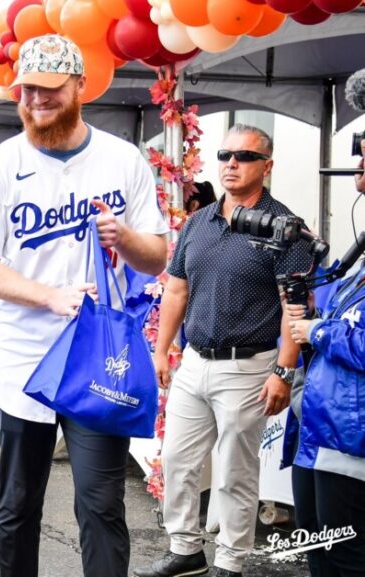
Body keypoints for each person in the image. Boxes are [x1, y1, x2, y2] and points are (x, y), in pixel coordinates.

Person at [0, 35, 169, 577]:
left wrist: (125, 239)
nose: (36, 100)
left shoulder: (122, 159)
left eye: (48, 90)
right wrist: (51, 295)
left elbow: (158, 256)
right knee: (18, 504)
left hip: (98, 359)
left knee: (101, 504)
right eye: (27, 91)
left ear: (79, 87)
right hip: (25, 357)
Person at [135, 125, 315, 577]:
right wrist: (162, 351)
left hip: (248, 366)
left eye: (245, 157)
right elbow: (176, 290)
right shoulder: (199, 221)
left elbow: (294, 307)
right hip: (195, 361)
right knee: (176, 459)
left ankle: (231, 561)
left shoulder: (284, 228)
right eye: (225, 154)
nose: (232, 163)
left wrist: (283, 370)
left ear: (267, 167)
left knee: (236, 470)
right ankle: (185, 548)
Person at [283, 153, 365, 577]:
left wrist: (317, 332)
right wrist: (314, 302)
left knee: (347, 558)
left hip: (350, 439)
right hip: (316, 431)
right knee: (314, 539)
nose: (356, 163)